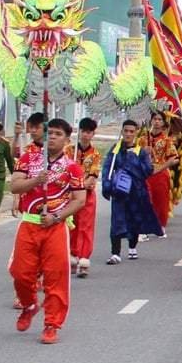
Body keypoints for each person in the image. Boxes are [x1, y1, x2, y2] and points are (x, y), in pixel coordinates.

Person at [8, 118, 86, 345]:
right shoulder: (28, 159)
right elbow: (14, 186)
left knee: (55, 278)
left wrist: (57, 216)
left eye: (57, 134)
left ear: (66, 140)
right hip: (29, 225)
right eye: (49, 132)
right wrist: (35, 181)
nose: (51, 137)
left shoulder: (72, 167)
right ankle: (29, 304)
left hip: (54, 227)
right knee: (21, 273)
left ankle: (52, 324)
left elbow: (79, 200)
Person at [100, 119, 163, 264]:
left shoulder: (140, 152)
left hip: (136, 191)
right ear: (122, 132)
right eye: (125, 131)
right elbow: (107, 168)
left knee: (134, 219)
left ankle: (132, 246)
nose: (128, 134)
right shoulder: (115, 150)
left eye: (131, 131)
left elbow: (148, 170)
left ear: (135, 133)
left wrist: (134, 160)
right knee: (116, 221)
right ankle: (115, 253)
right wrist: (107, 185)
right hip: (119, 192)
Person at [66, 118, 101, 278]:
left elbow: (92, 176)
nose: (85, 135)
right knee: (72, 225)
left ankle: (84, 258)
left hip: (86, 195)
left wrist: (80, 186)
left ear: (93, 134)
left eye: (89, 132)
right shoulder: (69, 151)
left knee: (86, 227)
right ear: (78, 132)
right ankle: (72, 256)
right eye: (83, 131)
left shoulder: (95, 154)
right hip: (69, 195)